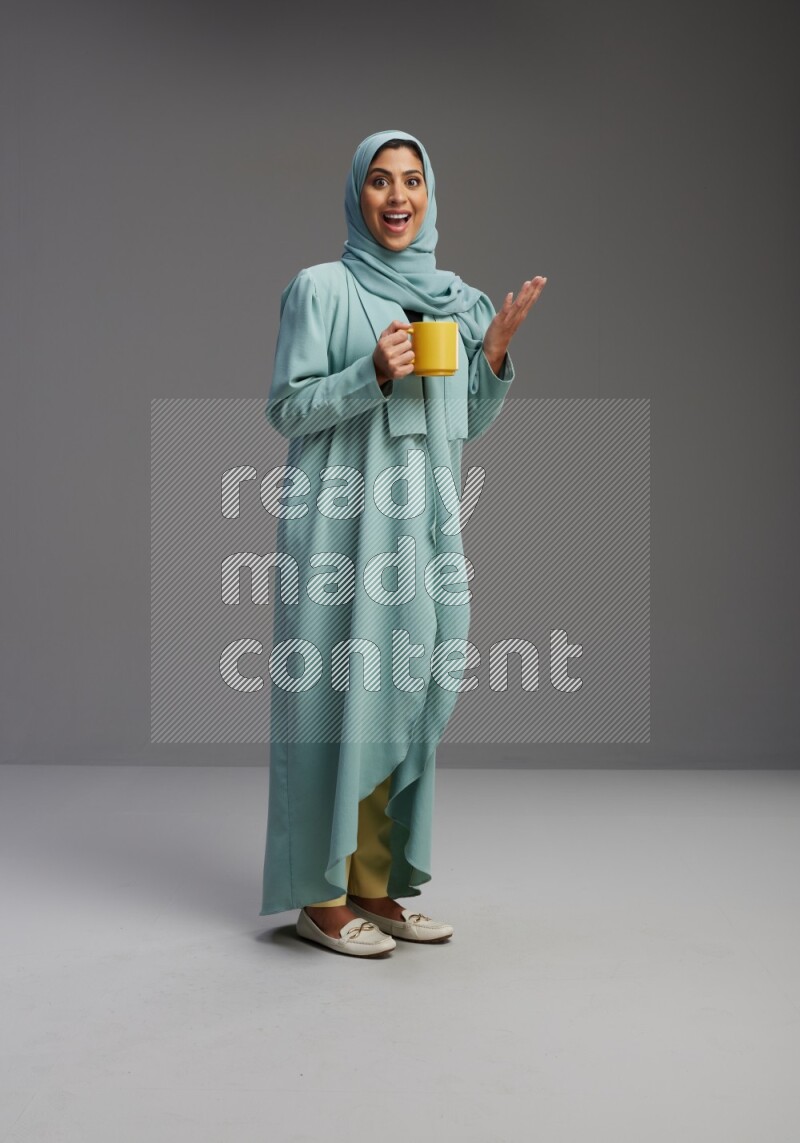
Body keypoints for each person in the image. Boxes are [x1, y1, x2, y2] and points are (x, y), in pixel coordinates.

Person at [259, 129, 546, 957]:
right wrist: (371, 376)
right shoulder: (320, 290)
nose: (396, 197)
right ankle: (320, 897)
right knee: (332, 698)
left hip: (425, 530)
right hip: (341, 526)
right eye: (380, 181)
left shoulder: (459, 305)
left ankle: (375, 888)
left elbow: (466, 426)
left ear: (429, 194)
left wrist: (491, 355)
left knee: (407, 692)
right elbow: (286, 408)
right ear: (357, 194)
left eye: (411, 181)